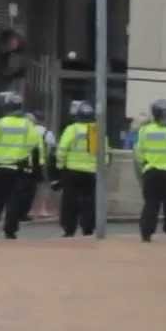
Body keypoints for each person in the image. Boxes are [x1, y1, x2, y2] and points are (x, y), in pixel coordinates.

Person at [0, 91, 41, 240]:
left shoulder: (0, 123)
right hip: (18, 167)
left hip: (1, 167)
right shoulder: (27, 124)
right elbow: (34, 142)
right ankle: (10, 231)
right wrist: (21, 153)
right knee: (14, 200)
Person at [54, 101, 105, 237]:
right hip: (90, 172)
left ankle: (69, 228)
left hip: (72, 171)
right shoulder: (95, 130)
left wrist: (60, 166)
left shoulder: (73, 129)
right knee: (89, 201)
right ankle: (88, 228)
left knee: (70, 201)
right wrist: (101, 169)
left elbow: (62, 149)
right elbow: (101, 153)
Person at [136, 99, 166, 243]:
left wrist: (145, 163)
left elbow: (139, 152)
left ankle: (146, 234)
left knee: (151, 203)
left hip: (151, 172)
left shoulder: (145, 130)